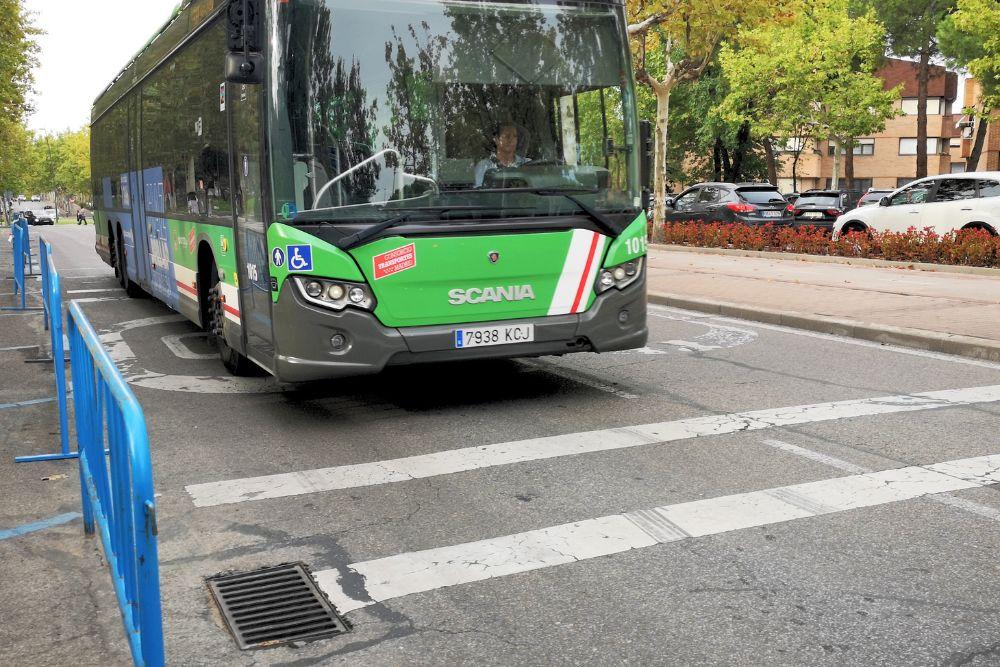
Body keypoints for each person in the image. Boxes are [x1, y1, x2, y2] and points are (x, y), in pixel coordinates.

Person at [474, 123, 528, 187]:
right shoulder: (484, 166)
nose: (511, 140)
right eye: (507, 136)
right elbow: (478, 194)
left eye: (514, 136)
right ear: (496, 140)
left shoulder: (527, 164)